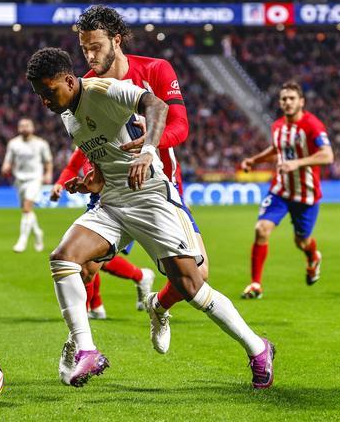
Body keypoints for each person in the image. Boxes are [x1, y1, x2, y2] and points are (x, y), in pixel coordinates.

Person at [26, 47, 274, 389]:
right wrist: (90, 180)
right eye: (40, 96)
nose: (45, 102)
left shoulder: (103, 88)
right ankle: (85, 349)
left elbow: (156, 106)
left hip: (151, 197)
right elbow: (103, 155)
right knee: (64, 260)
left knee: (192, 286)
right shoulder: (68, 116)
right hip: (113, 201)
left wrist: (147, 150)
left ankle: (258, 348)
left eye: (49, 92)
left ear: (69, 80)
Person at [73, 4, 210, 356]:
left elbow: (181, 126)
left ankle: (159, 307)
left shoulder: (155, 70)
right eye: (84, 48)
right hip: (114, 192)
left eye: (96, 47)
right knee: (81, 265)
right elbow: (87, 139)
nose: (89, 56)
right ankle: (79, 347)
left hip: (159, 188)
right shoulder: (86, 86)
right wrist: (90, 172)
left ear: (116, 40)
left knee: (199, 277)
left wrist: (152, 143)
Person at [240, 81, 334, 299]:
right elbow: (276, 149)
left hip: (306, 195)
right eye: (284, 99)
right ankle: (255, 284)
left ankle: (312, 257)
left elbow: (328, 155)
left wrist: (298, 163)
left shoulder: (313, 125)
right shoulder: (278, 126)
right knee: (261, 229)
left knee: (301, 242)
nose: (288, 102)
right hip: (280, 191)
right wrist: (254, 160)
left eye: (292, 98)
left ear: (301, 102)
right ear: (280, 103)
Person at [51, 149, 155, 318]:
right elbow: (72, 167)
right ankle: (95, 307)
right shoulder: (84, 144)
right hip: (97, 203)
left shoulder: (111, 139)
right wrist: (60, 183)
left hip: (121, 203)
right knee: (86, 261)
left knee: (87, 264)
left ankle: (83, 318)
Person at [1, 117, 52, 253]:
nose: (24, 128)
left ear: (32, 128)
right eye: (22, 126)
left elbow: (48, 161)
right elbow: (8, 160)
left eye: (27, 125)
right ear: (18, 128)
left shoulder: (41, 144)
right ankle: (38, 233)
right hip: (19, 181)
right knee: (27, 210)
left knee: (27, 207)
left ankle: (22, 241)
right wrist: (5, 166)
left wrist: (48, 174)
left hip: (35, 179)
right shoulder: (13, 144)